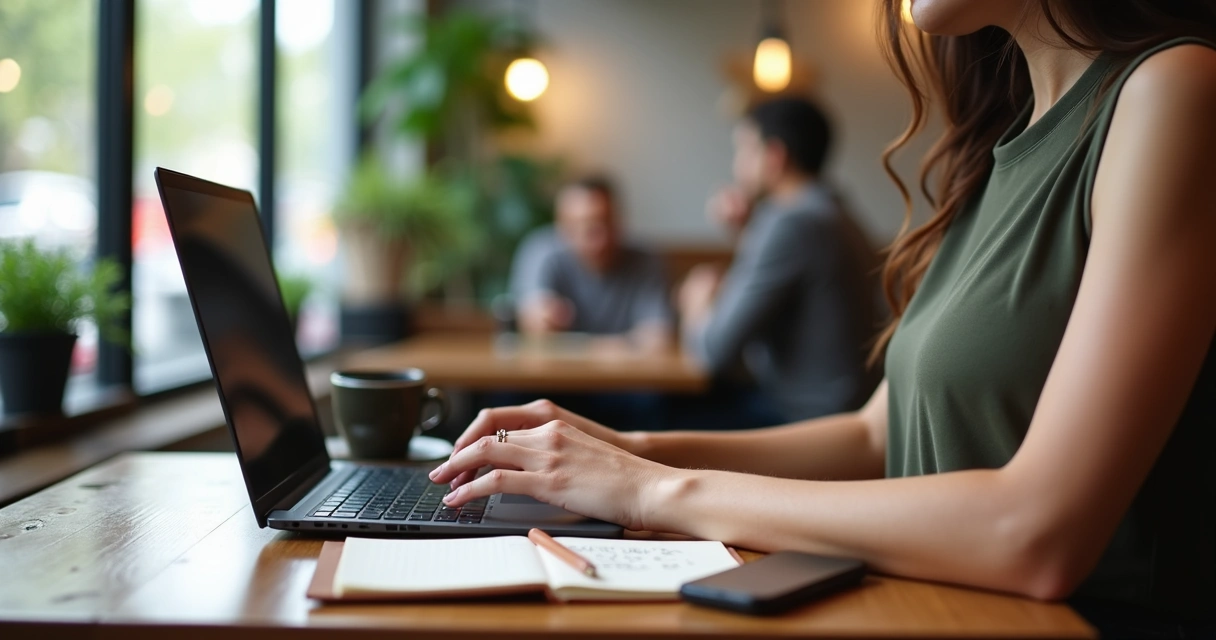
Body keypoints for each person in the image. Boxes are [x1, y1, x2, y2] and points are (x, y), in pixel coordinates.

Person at [430, 0, 1216, 635]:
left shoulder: (1173, 90)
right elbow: (876, 436)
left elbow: (1036, 533)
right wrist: (622, 450)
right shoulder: (998, 150)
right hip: (933, 606)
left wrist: (652, 489)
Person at [678, 98, 880, 423]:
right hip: (845, 408)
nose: (737, 166)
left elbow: (712, 354)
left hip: (806, 418)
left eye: (744, 151)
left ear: (774, 155)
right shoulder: (834, 211)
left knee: (655, 410)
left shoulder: (790, 221)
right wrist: (749, 232)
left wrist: (696, 303)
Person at [511, 176, 673, 352]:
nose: (599, 238)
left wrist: (588, 348)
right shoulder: (541, 252)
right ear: (561, 225)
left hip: (627, 377)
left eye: (605, 222)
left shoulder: (645, 261)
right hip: (558, 376)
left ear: (619, 220)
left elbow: (658, 336)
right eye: (584, 226)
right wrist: (542, 320)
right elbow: (532, 320)